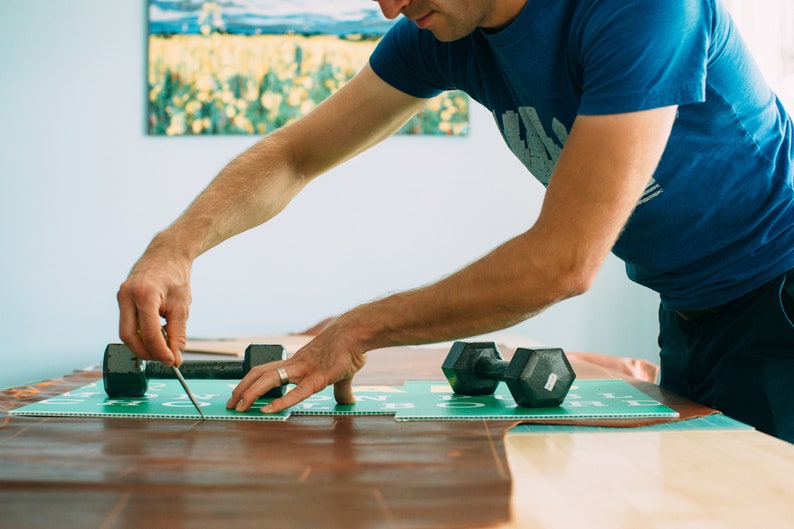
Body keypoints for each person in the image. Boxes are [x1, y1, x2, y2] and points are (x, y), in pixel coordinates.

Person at [118, 0, 794, 442]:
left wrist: (356, 328)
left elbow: (565, 261)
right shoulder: (440, 29)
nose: (389, 5)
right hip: (689, 312)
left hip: (780, 295)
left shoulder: (639, 8)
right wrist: (174, 244)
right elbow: (295, 155)